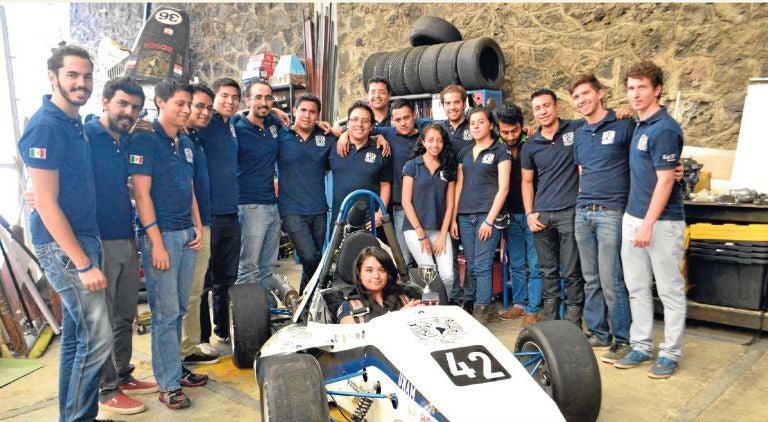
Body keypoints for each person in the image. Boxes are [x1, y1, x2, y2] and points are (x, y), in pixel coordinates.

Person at [20, 43, 112, 422]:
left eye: (87, 76)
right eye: (72, 75)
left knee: (77, 340)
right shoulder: (45, 126)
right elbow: (46, 203)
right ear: (53, 77)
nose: (81, 83)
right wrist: (83, 263)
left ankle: (74, 417)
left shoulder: (75, 123)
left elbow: (48, 191)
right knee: (98, 339)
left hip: (83, 237)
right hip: (65, 247)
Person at [127, 79, 206, 409]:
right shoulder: (146, 139)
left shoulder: (185, 141)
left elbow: (188, 189)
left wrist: (198, 226)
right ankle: (168, 384)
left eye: (189, 103)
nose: (187, 109)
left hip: (187, 233)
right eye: (180, 104)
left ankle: (174, 369)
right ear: (160, 102)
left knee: (181, 308)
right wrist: (156, 243)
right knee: (165, 313)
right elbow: (141, 194)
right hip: (161, 236)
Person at [84, 77, 157, 415]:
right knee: (103, 318)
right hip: (98, 241)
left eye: (135, 107)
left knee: (125, 314)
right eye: (122, 104)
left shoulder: (125, 140)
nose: (128, 112)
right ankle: (107, 389)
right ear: (105, 102)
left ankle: (123, 375)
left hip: (126, 236)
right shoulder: (86, 136)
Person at [614, 61, 686, 379]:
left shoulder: (666, 129)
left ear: (657, 89)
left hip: (662, 223)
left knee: (669, 290)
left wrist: (647, 223)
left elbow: (666, 181)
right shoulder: (640, 125)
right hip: (633, 217)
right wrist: (637, 221)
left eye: (642, 87)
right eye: (631, 87)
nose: (636, 93)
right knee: (637, 288)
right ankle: (641, 346)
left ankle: (670, 353)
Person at [569, 72, 635, 361]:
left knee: (612, 279)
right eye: (576, 97)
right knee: (591, 279)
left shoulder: (623, 125)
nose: (581, 100)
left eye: (585, 94)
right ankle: (598, 333)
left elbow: (641, 164)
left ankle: (623, 339)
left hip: (611, 212)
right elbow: (582, 171)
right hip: (583, 212)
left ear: (600, 94)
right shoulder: (580, 134)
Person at [521, 88, 586, 325]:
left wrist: (621, 114)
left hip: (570, 212)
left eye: (546, 106)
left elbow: (600, 119)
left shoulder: (576, 129)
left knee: (571, 272)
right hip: (541, 216)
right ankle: (550, 323)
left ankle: (573, 322)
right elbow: (527, 182)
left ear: (556, 106)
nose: (542, 111)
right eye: (537, 108)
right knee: (547, 272)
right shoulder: (530, 145)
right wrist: (529, 214)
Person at [451, 107, 511, 324]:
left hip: (488, 216)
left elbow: (503, 188)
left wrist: (489, 220)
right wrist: (454, 218)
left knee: (483, 265)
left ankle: (481, 313)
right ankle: (490, 310)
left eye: (480, 122)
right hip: (466, 217)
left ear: (491, 125)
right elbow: (459, 186)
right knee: (473, 266)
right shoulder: (465, 153)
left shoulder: (501, 151)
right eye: (472, 123)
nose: (475, 126)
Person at [198, 78, 242, 345]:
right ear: (214, 99)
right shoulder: (205, 124)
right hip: (208, 215)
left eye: (235, 97)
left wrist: (276, 111)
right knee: (204, 281)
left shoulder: (232, 125)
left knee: (227, 279)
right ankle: (202, 339)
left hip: (231, 213)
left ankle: (223, 330)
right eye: (224, 96)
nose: (230, 101)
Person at [277, 94, 336, 292]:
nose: (307, 115)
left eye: (312, 112)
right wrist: (275, 111)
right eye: (303, 110)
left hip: (319, 209)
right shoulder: (281, 135)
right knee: (310, 256)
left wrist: (340, 132)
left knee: (315, 260)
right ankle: (312, 299)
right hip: (291, 209)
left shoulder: (325, 137)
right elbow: (251, 115)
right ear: (294, 111)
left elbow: (353, 134)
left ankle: (306, 302)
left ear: (318, 115)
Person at [232, 80, 282, 306]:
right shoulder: (237, 127)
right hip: (249, 206)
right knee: (248, 267)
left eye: (268, 97)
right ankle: (248, 324)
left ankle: (266, 316)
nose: (264, 102)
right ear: (247, 101)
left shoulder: (272, 123)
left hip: (272, 205)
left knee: (267, 267)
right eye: (258, 97)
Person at [180, 83, 219, 365]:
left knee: (194, 291)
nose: (205, 113)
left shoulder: (193, 139)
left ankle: (190, 346)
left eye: (209, 107)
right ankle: (181, 350)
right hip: (185, 227)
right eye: (198, 106)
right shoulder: (175, 138)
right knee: (185, 292)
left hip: (201, 222)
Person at [495, 104, 542, 328]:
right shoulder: (497, 147)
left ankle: (533, 309)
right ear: (498, 130)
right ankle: (520, 304)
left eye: (515, 131)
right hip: (510, 215)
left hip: (533, 213)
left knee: (535, 263)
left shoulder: (532, 143)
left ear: (522, 127)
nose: (511, 136)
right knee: (517, 262)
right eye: (505, 132)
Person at [401, 124, 457, 297]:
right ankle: (431, 311)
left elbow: (450, 205)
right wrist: (421, 234)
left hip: (439, 230)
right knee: (429, 277)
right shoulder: (412, 166)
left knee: (448, 276)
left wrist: (442, 235)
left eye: (439, 141)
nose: (435, 145)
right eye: (431, 140)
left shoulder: (448, 167)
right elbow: (406, 201)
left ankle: (444, 306)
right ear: (423, 142)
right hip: (415, 230)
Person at [328, 101, 392, 222]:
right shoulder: (334, 147)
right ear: (348, 123)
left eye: (365, 121)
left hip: (369, 220)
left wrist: (380, 213)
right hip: (340, 219)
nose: (360, 124)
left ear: (372, 126)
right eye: (355, 119)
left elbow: (385, 185)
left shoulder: (381, 149)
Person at [337, 247, 422, 324]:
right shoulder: (348, 307)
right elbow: (354, 338)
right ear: (358, 273)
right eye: (369, 270)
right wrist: (399, 316)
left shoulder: (406, 298)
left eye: (382, 270)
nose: (376, 276)